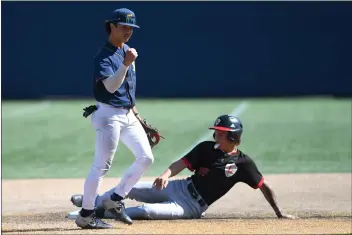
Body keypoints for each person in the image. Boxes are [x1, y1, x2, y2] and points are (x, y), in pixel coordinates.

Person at [69, 115, 297, 221]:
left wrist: (279, 212)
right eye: (216, 130)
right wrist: (166, 174)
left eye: (220, 131)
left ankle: (95, 213)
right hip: (180, 188)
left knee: (145, 212)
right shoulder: (207, 148)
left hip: (191, 207)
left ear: (234, 137)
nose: (215, 133)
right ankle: (90, 202)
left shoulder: (243, 164)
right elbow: (182, 163)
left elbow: (263, 185)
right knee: (131, 188)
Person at [75, 8, 156, 229]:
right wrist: (125, 64)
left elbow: (129, 90)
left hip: (128, 114)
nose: (128, 31)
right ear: (112, 26)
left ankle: (115, 199)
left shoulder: (128, 50)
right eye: (124, 26)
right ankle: (86, 214)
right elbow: (110, 87)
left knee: (146, 157)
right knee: (101, 166)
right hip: (108, 114)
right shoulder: (103, 55)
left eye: (131, 27)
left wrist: (138, 116)